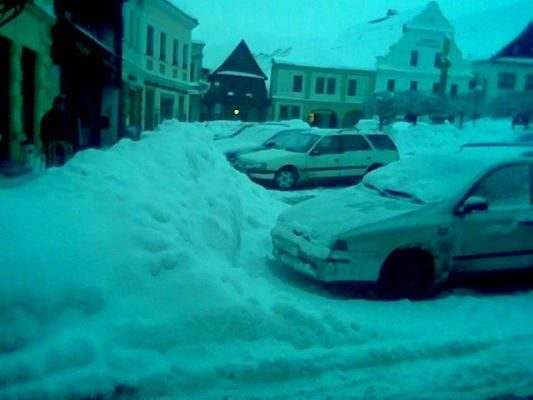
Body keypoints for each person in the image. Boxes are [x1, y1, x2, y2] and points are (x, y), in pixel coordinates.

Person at [40, 95, 73, 167]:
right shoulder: (48, 116)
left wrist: (69, 141)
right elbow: (44, 132)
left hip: (65, 146)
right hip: (52, 146)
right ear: (56, 104)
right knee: (52, 167)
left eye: (63, 104)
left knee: (65, 166)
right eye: (60, 104)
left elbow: (69, 129)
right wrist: (46, 143)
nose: (62, 106)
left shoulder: (66, 115)